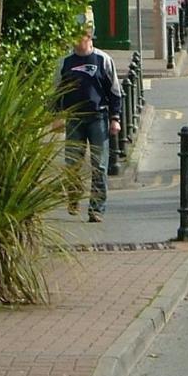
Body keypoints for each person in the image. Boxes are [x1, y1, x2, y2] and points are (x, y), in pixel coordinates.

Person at [54, 16, 123, 223]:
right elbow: (56, 91)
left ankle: (96, 209)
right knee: (72, 164)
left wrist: (115, 118)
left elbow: (115, 92)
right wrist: (56, 117)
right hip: (74, 118)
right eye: (74, 38)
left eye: (81, 37)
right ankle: (74, 198)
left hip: (98, 118)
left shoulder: (103, 60)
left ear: (89, 37)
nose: (77, 42)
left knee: (99, 166)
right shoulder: (65, 62)